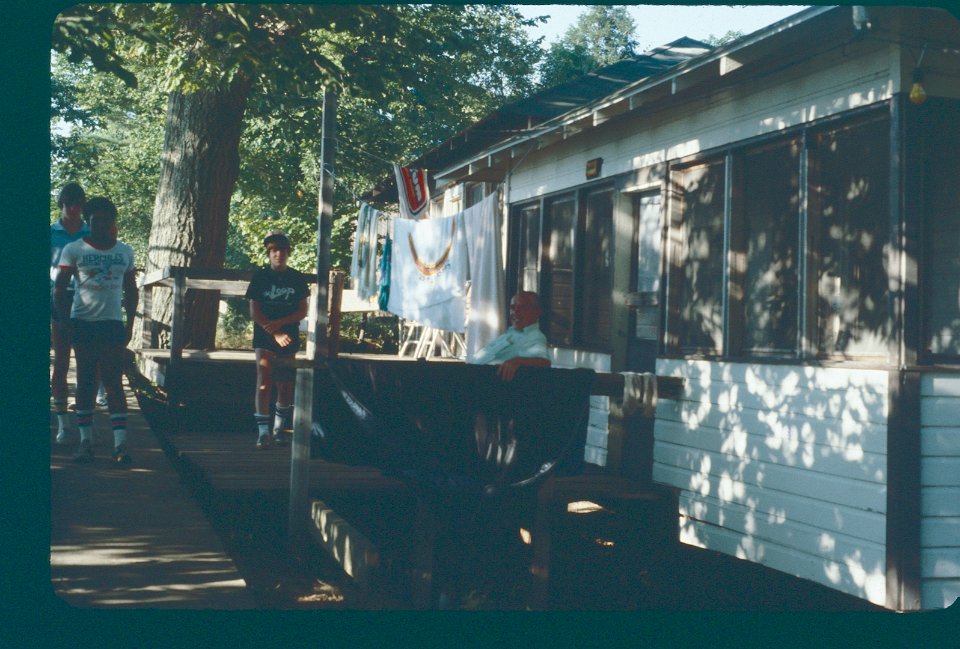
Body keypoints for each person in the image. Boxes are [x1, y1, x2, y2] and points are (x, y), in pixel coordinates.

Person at [54, 197, 138, 464]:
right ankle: (85, 441)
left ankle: (120, 446)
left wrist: (130, 323)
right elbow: (59, 290)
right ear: (88, 222)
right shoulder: (73, 249)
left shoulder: (125, 251)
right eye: (94, 220)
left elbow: (132, 290)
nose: (100, 224)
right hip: (83, 322)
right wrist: (66, 322)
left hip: (112, 323)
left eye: (105, 220)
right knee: (86, 381)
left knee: (114, 382)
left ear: (113, 222)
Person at [245, 231, 310, 450]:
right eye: (274, 250)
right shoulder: (260, 277)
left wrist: (282, 324)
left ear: (288, 252)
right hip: (265, 333)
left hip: (288, 333)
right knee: (264, 379)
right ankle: (263, 432)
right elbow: (254, 311)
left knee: (285, 382)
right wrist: (273, 331)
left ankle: (279, 429)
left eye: (282, 250)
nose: (278, 254)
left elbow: (302, 309)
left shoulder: (297, 278)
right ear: (269, 253)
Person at [50, 182, 89, 445]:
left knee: (88, 365)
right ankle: (63, 425)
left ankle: (86, 423)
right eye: (68, 203)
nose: (73, 209)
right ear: (61, 203)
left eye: (78, 204)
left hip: (88, 301)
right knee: (62, 361)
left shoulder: (92, 231)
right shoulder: (50, 232)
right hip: (58, 299)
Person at [470, 290, 551, 380]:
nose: (515, 313)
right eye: (512, 308)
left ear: (537, 312)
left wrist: (519, 361)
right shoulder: (509, 334)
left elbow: (544, 363)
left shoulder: (534, 336)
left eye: (522, 308)